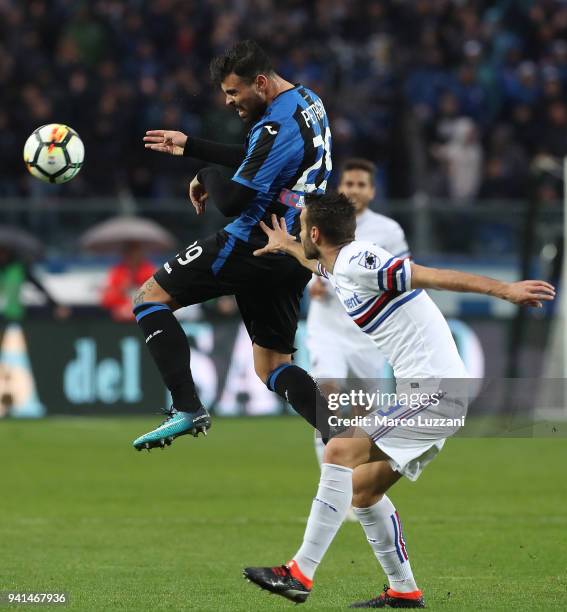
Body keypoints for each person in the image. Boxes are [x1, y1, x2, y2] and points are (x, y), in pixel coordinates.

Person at [243, 194, 555, 607]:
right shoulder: (340, 267)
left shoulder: (360, 260)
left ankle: (299, 572)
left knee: (338, 449)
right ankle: (404, 591)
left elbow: (431, 275)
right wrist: (287, 246)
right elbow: (316, 264)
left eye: (302, 227)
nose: (300, 232)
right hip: (429, 392)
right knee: (362, 491)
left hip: (435, 390)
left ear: (316, 232)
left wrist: (504, 290)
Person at [131, 40, 333, 450]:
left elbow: (231, 202)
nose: (228, 102)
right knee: (274, 365)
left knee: (149, 298)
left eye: (234, 92)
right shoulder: (308, 101)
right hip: (293, 248)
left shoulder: (275, 126)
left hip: (251, 241)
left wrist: (205, 173)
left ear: (260, 83)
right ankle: (342, 432)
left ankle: (187, 407)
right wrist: (190, 146)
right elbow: (256, 154)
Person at [307, 158, 409, 471]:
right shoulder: (321, 219)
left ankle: (351, 478)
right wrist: (312, 285)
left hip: (367, 334)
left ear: (372, 191)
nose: (353, 190)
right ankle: (330, 475)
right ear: (340, 186)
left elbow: (402, 276)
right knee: (329, 393)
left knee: (364, 413)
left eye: (360, 184)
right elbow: (306, 261)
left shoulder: (388, 231)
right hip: (328, 329)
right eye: (348, 183)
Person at [100, 242, 156, 322]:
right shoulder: (117, 271)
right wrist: (122, 289)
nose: (133, 256)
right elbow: (106, 300)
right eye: (130, 253)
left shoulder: (148, 270)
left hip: (145, 315)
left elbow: (156, 295)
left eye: (136, 252)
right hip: (120, 319)